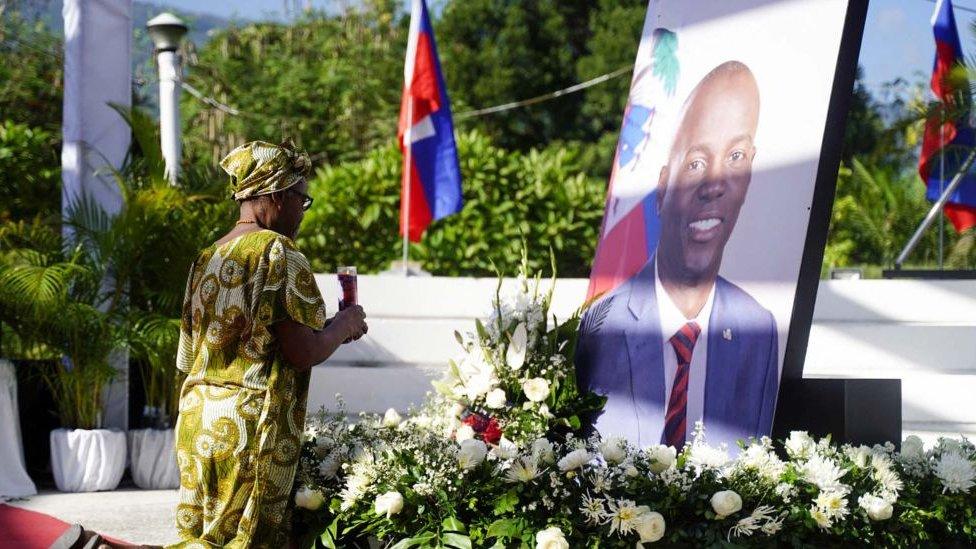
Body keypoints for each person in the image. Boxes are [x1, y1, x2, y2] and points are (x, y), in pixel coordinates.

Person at [168, 141, 368, 548]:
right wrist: (345, 325)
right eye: (301, 199)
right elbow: (302, 352)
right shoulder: (277, 251)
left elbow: (189, 355)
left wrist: (324, 329)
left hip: (196, 421)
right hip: (248, 428)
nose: (301, 213)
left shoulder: (207, 257)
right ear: (277, 194)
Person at [576, 61, 778, 450]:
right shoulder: (604, 325)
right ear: (663, 188)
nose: (715, 184)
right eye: (696, 163)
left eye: (736, 157)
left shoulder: (759, 330)